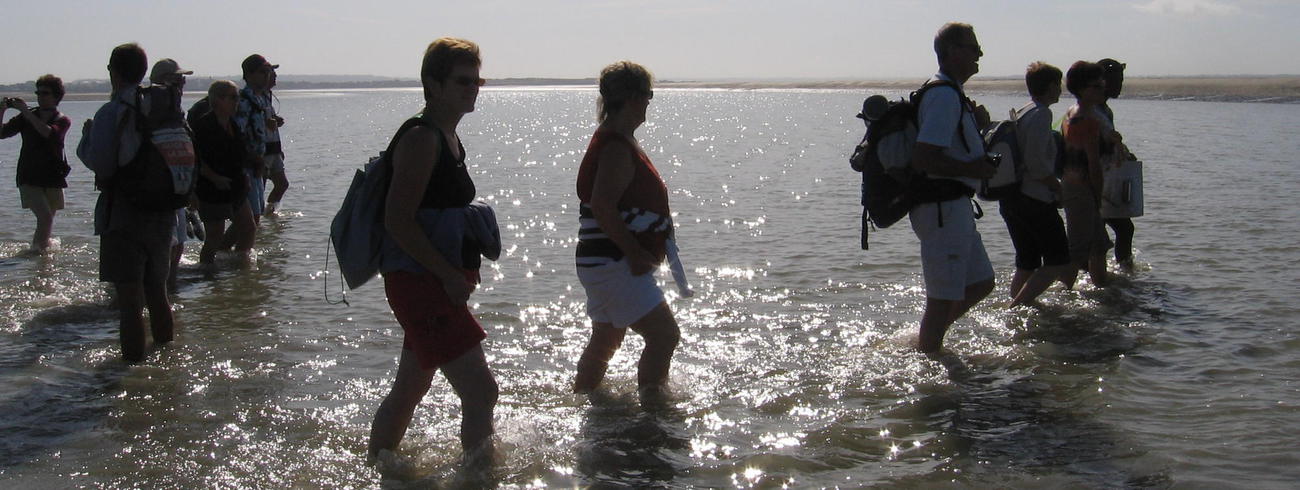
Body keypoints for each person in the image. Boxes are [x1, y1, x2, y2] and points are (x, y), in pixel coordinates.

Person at [367, 37, 498, 469]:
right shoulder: (422, 138)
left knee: (411, 388)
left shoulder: (448, 135)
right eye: (462, 81)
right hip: (422, 284)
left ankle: (378, 468)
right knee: (481, 391)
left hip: (430, 281)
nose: (473, 88)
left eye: (477, 80)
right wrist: (446, 274)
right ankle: (479, 479)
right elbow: (397, 220)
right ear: (433, 83)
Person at [572, 61, 685, 395]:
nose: (649, 103)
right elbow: (603, 206)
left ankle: (585, 401)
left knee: (606, 338)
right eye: (649, 95)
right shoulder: (616, 147)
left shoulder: (617, 139)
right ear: (635, 98)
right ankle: (653, 414)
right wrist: (635, 254)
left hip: (601, 263)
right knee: (664, 335)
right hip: (614, 262)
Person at [76, 43, 175, 363]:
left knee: (130, 300)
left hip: (124, 212)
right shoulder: (160, 104)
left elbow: (102, 165)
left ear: (112, 72)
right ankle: (166, 363)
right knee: (158, 292)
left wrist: (85, 140)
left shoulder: (113, 110)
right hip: (163, 209)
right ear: (144, 71)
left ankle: (132, 376)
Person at [908, 22, 997, 353]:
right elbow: (923, 158)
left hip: (954, 207)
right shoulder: (944, 95)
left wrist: (981, 128)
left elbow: (948, 148)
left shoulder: (951, 95)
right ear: (952, 52)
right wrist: (974, 168)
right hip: (942, 208)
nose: (980, 54)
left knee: (981, 283)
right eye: (974, 48)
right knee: (942, 298)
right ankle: (929, 366)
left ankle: (926, 342)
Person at [998, 62, 1071, 306]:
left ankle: (1019, 306)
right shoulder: (1041, 114)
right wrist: (1058, 188)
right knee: (1058, 260)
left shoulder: (1023, 110)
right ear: (1050, 86)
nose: (1060, 90)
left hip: (1013, 198)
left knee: (1027, 261)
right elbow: (1037, 164)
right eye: (1058, 85)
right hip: (1035, 199)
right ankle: (1016, 307)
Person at [1, 74, 72, 254]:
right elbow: (1, 133)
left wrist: (25, 112)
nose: (40, 96)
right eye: (38, 93)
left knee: (47, 222)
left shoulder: (62, 120)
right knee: (45, 218)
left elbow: (49, 134)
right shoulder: (26, 117)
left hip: (53, 176)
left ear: (56, 96)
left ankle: (41, 261)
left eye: (45, 93)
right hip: (29, 176)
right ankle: (36, 257)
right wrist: (2, 110)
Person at [1060, 61, 1114, 289]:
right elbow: (1092, 163)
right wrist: (1099, 193)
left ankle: (1102, 288)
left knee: (1099, 244)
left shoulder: (1073, 112)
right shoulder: (1086, 120)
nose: (1103, 89)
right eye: (1097, 86)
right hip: (1082, 189)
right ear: (1082, 89)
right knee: (1078, 248)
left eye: (1103, 84)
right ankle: (1062, 294)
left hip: (1073, 186)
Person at [192, 80, 255, 272]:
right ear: (218, 100)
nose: (237, 102)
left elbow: (240, 153)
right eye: (233, 98)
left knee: (248, 227)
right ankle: (206, 273)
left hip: (236, 186)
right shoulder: (204, 125)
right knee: (214, 236)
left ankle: (238, 267)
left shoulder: (232, 124)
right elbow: (196, 159)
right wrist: (214, 178)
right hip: (212, 189)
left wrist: (247, 176)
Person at [147, 58, 195, 289]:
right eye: (178, 79)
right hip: (158, 193)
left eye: (183, 80)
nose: (182, 84)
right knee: (164, 248)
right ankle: (159, 293)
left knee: (178, 246)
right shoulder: (150, 108)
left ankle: (170, 292)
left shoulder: (177, 112)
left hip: (178, 192)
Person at [1097, 58, 1136, 270]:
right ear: (1104, 81)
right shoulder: (1094, 110)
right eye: (1118, 80)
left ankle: (1122, 274)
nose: (1121, 85)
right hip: (1095, 182)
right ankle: (1117, 277)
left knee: (1123, 229)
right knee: (1108, 234)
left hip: (1105, 179)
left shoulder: (1103, 109)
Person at [232, 54, 276, 226]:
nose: (267, 75)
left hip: (258, 164)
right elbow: (238, 135)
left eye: (268, 71)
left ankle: (236, 252)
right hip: (246, 166)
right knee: (249, 221)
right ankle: (222, 250)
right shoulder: (244, 101)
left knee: (255, 217)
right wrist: (253, 158)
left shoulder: (261, 98)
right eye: (262, 72)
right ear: (249, 75)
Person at [262, 68, 289, 217]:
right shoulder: (252, 98)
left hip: (274, 149)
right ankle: (256, 220)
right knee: (260, 187)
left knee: (282, 184)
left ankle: (269, 214)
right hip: (262, 151)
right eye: (271, 74)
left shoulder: (267, 96)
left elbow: (269, 124)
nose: (275, 77)